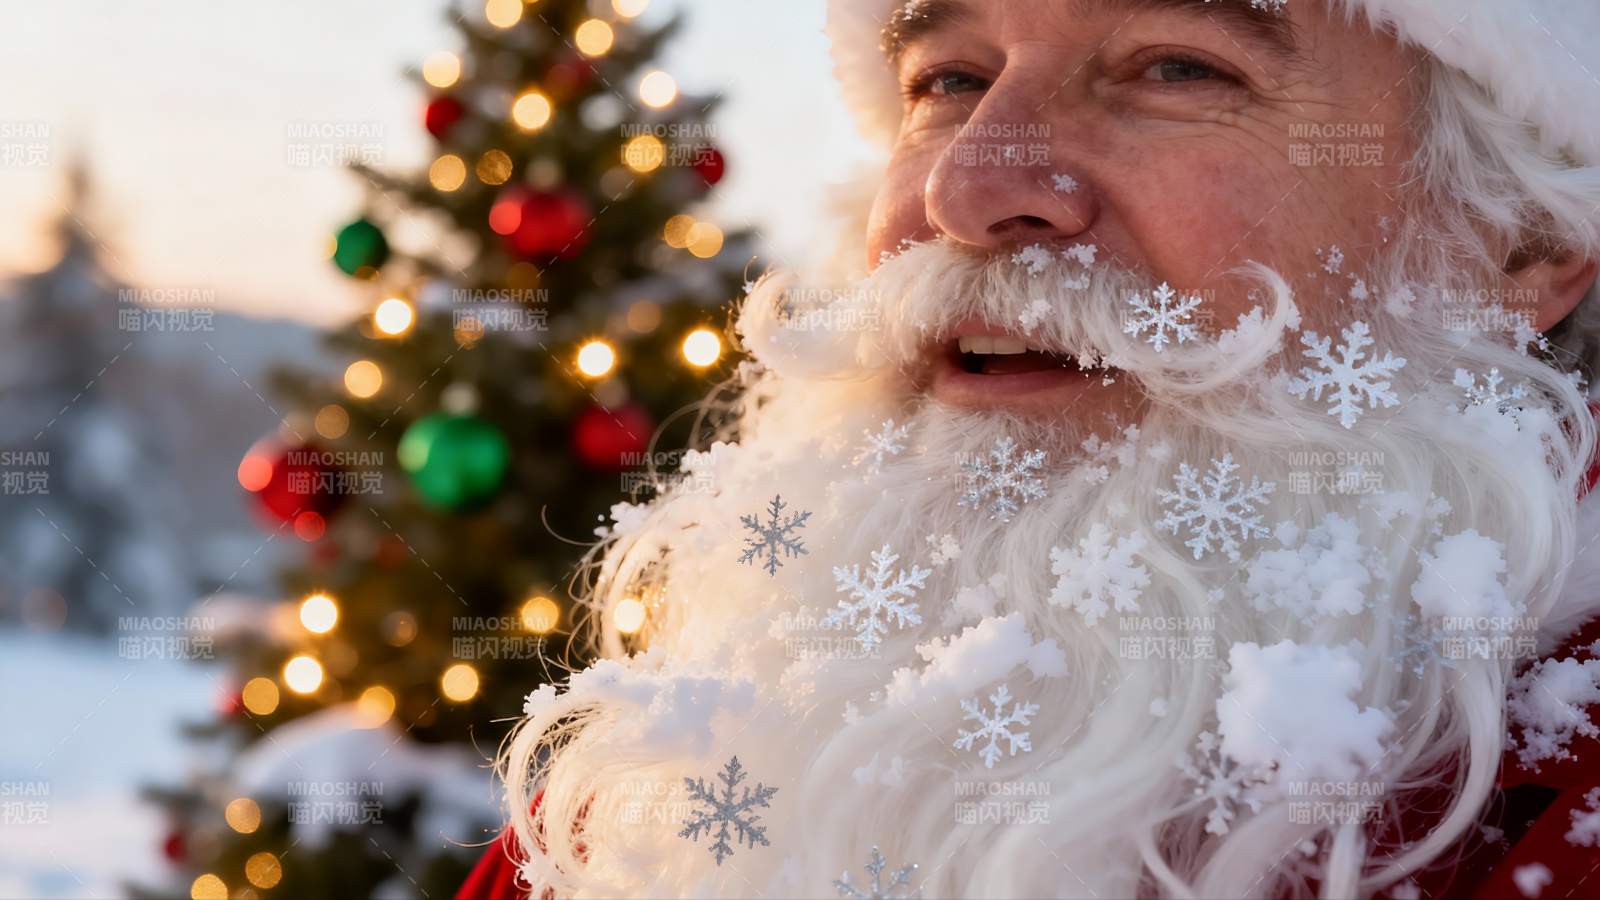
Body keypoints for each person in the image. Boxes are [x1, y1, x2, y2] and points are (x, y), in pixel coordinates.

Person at [461, 1, 1600, 896]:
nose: (970, 187)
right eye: (948, 81)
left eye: (1177, 68)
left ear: (1522, 243)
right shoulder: (656, 797)